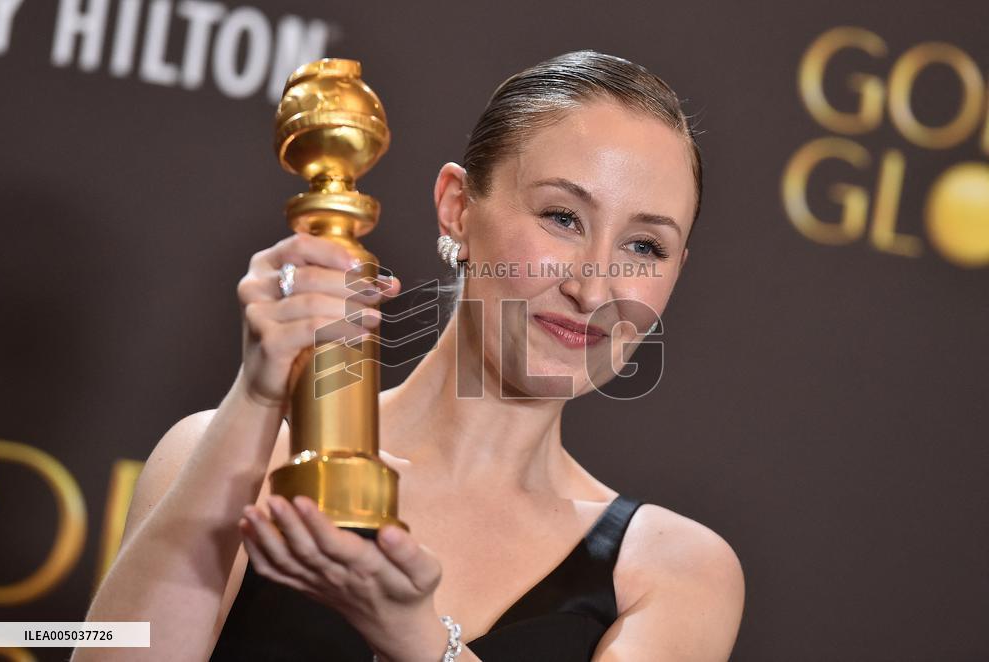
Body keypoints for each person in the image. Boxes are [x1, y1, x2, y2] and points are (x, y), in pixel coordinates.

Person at [74, 49, 745, 662]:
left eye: (644, 248)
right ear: (457, 208)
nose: (593, 287)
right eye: (562, 218)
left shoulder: (671, 569)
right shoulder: (238, 463)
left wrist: (415, 637)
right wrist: (256, 398)